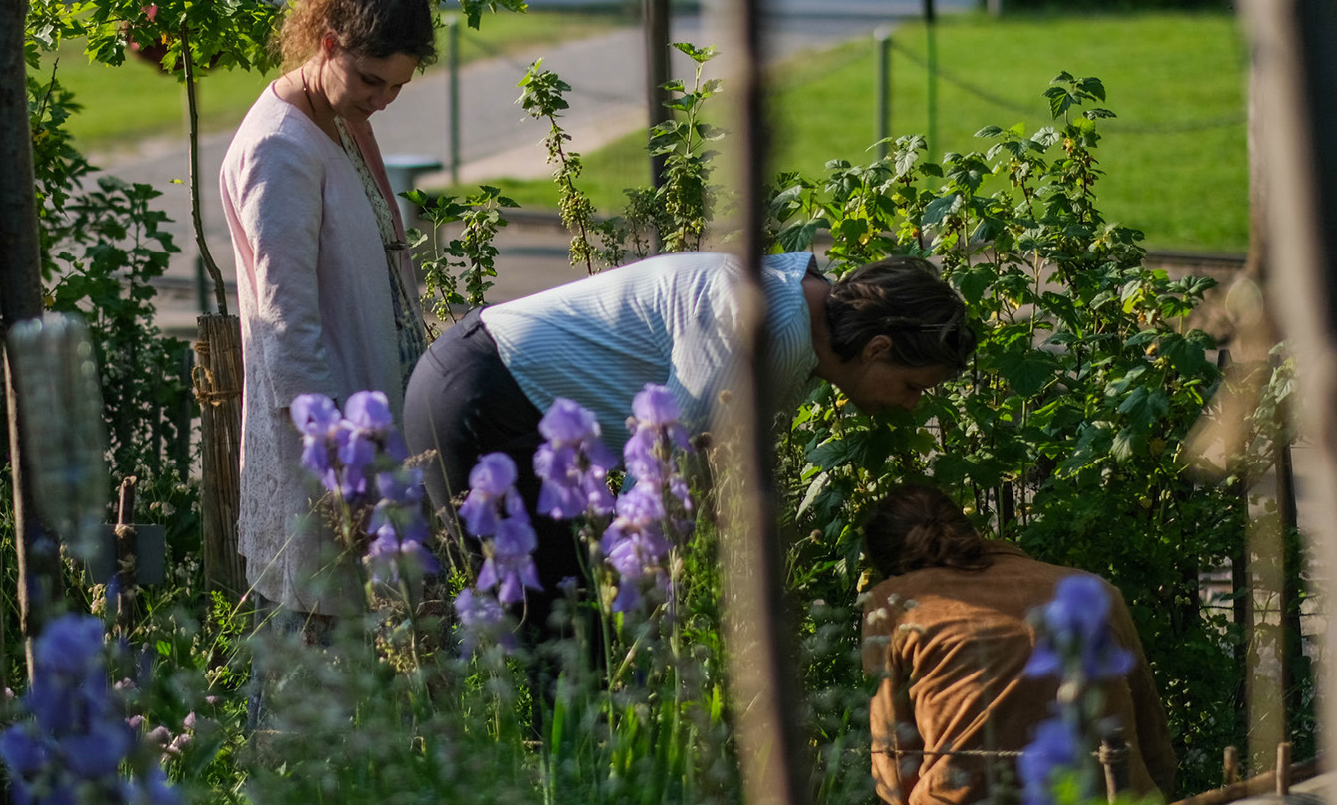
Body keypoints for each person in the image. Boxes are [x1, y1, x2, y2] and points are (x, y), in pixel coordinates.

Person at [402, 252, 975, 636]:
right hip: (484, 401)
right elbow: (662, 473)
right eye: (912, 386)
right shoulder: (760, 327)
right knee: (558, 633)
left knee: (563, 632)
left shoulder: (795, 310)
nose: (909, 405)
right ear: (876, 348)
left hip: (494, 391)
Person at [219, 0, 435, 619]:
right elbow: (288, 328)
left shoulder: (341, 119)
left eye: (399, 86)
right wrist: (340, 466)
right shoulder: (280, 148)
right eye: (373, 80)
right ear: (329, 42)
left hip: (370, 417)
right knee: (309, 644)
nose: (386, 99)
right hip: (328, 445)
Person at [859, 485, 1177, 804]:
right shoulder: (1093, 590)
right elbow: (1154, 742)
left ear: (890, 563)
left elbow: (894, 771)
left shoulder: (892, 603)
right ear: (969, 532)